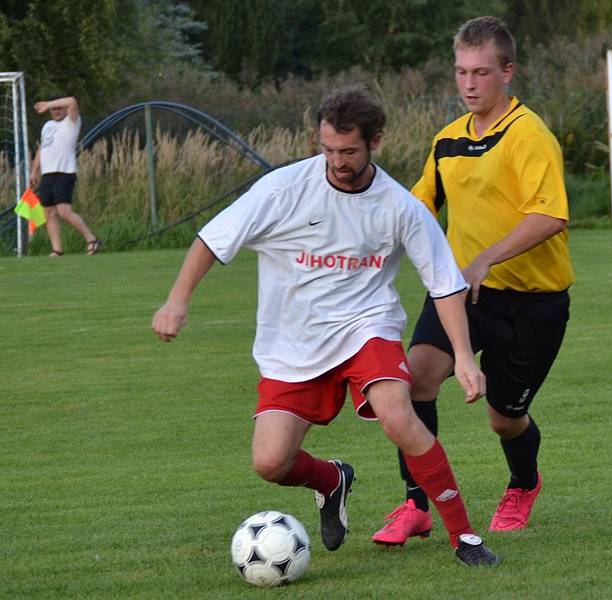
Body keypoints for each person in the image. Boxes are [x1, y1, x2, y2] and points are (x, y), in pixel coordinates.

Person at [151, 86, 500, 567]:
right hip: (291, 344)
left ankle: (465, 537)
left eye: (349, 151)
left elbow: (443, 284)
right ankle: (332, 480)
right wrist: (177, 299)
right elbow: (214, 239)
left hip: (366, 327)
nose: (337, 161)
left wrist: (462, 356)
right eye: (329, 149)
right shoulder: (283, 190)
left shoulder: (400, 206)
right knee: (270, 463)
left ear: (375, 142)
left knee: (399, 418)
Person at [372, 16, 575, 546]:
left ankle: (523, 483)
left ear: (507, 73)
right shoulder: (447, 141)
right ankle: (416, 504)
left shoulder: (530, 136)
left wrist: (484, 258)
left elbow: (550, 215)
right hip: (463, 294)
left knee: (504, 420)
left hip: (535, 302)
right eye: (461, 72)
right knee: (415, 377)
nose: (468, 83)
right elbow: (418, 206)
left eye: (481, 72)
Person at [29, 96, 101, 257]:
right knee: (49, 212)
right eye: (53, 109)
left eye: (58, 108)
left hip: (65, 172)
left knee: (64, 211)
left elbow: (73, 101)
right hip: (47, 174)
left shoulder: (72, 122)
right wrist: (34, 171)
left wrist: (47, 104)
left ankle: (91, 239)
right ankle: (57, 249)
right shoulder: (47, 125)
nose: (55, 111)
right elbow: (43, 149)